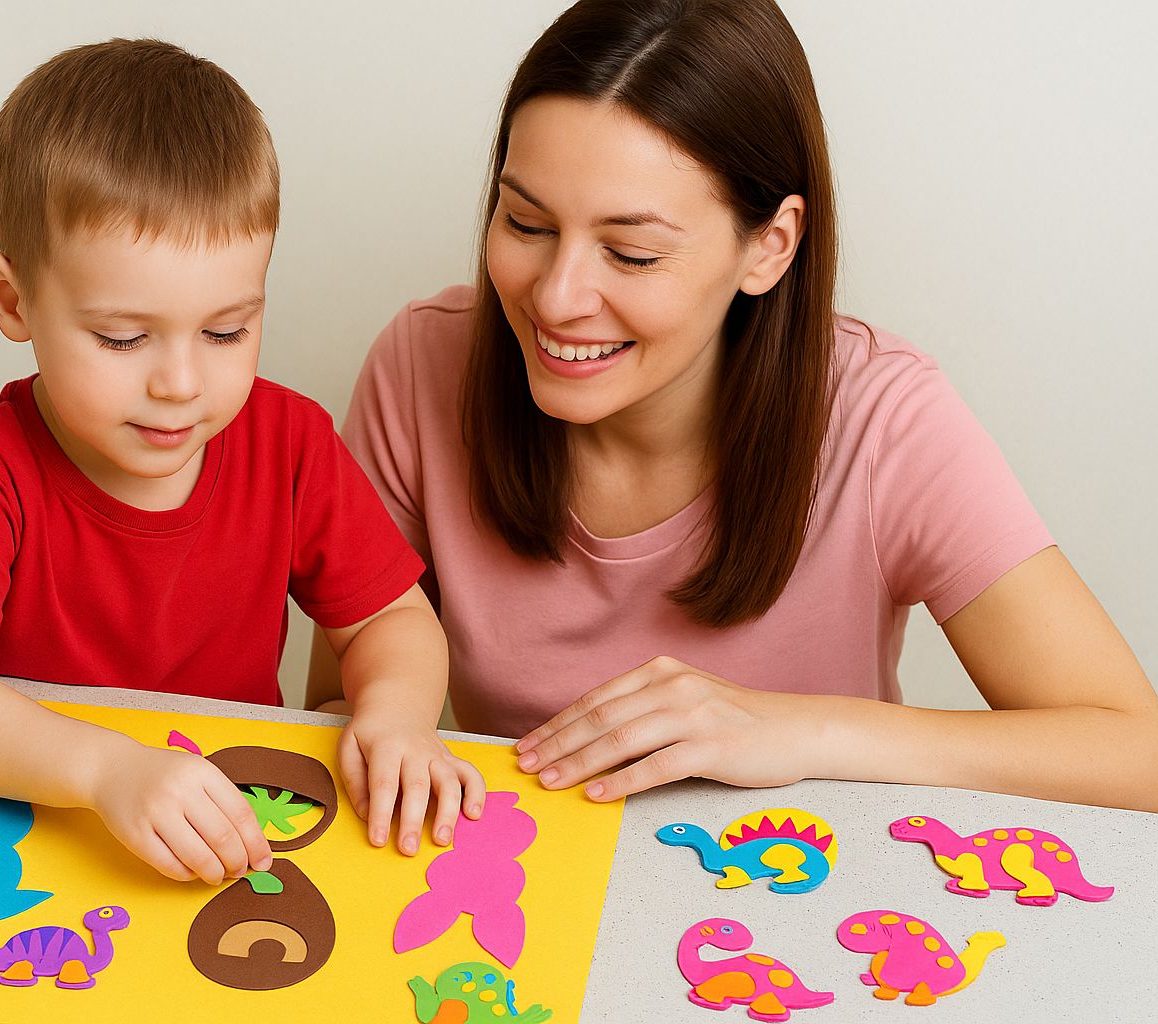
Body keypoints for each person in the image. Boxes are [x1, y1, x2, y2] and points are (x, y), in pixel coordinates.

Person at [308, 0, 1158, 812]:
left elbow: (1136, 754)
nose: (557, 297)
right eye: (526, 224)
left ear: (770, 247)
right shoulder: (420, 366)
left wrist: (799, 730)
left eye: (632, 254)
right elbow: (337, 713)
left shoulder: (882, 421)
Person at [0, 38, 484, 887]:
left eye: (226, 331)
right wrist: (105, 771)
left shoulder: (290, 442)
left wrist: (397, 716)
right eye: (124, 338)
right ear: (13, 300)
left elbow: (393, 620)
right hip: (39, 831)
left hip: (233, 832)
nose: (181, 384)